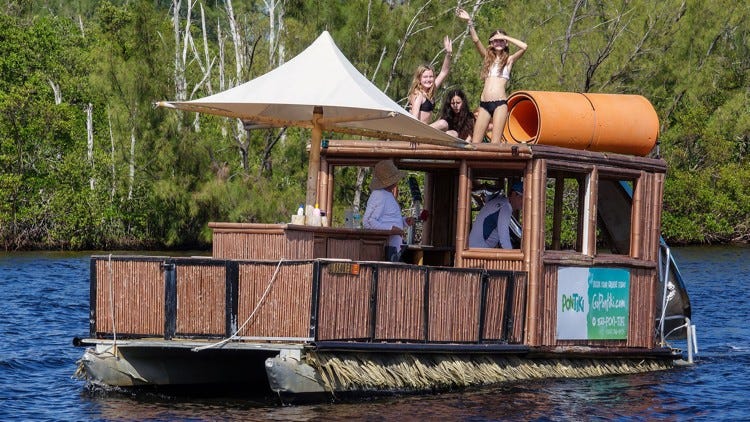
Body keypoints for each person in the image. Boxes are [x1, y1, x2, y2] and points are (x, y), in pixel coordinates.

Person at [457, 8, 527, 143]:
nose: (498, 43)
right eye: (496, 40)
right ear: (491, 43)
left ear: (505, 43)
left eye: (501, 41)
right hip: (484, 104)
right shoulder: (487, 59)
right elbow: (476, 40)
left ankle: (494, 163)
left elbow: (524, 46)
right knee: (475, 143)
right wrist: (469, 22)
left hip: (500, 104)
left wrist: (504, 37)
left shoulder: (509, 60)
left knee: (495, 142)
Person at [363, 160, 417, 261]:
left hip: (392, 247)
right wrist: (391, 230)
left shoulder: (387, 194)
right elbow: (368, 221)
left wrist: (404, 221)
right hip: (385, 249)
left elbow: (388, 218)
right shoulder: (379, 195)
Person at [408, 36, 453, 124]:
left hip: (427, 127)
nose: (428, 79)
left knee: (452, 132)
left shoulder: (430, 90)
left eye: (431, 76)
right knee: (443, 123)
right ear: (419, 79)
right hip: (419, 129)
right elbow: (414, 118)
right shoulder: (418, 94)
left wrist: (448, 54)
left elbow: (444, 72)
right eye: (425, 77)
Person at [468, 181, 523, 249]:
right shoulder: (505, 207)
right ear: (514, 194)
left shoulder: (502, 203)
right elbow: (504, 238)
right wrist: (513, 257)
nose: (524, 201)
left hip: (476, 248)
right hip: (478, 251)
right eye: (522, 197)